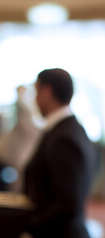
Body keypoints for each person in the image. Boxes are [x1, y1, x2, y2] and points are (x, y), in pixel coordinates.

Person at [23, 68, 96, 238]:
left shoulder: (63, 137)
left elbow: (68, 204)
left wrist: (28, 226)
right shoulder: (70, 129)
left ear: (47, 92)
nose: (35, 99)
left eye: (36, 91)